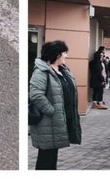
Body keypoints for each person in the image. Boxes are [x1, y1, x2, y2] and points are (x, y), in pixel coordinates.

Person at [29, 40, 82, 170]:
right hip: (47, 122)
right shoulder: (42, 72)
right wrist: (52, 111)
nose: (66, 56)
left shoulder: (63, 70)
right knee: (46, 158)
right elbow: (36, 94)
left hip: (58, 121)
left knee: (52, 156)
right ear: (57, 54)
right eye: (64, 53)